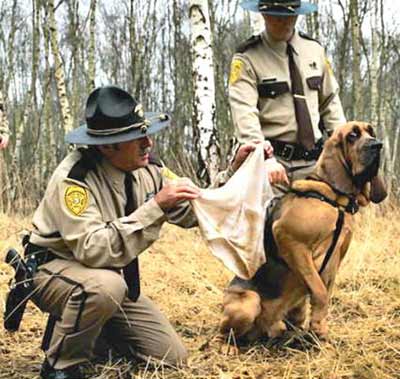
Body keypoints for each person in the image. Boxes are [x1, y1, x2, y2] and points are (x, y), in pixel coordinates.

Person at [26, 85, 284, 379]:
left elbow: (197, 209)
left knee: (170, 356)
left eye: (146, 133)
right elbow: (93, 250)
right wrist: (156, 207)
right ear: (107, 146)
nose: (148, 143)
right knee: (104, 288)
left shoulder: (150, 169)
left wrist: (237, 171)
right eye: (137, 138)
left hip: (107, 281)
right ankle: (61, 365)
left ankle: (94, 332)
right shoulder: (75, 180)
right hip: (55, 271)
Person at [229, 0, 346, 193]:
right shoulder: (247, 57)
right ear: (263, 14)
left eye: (290, 15)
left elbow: (330, 104)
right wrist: (264, 159)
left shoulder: (314, 50)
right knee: (267, 220)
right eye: (277, 15)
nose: (284, 22)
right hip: (273, 164)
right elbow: (245, 114)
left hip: (314, 163)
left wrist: (344, 146)